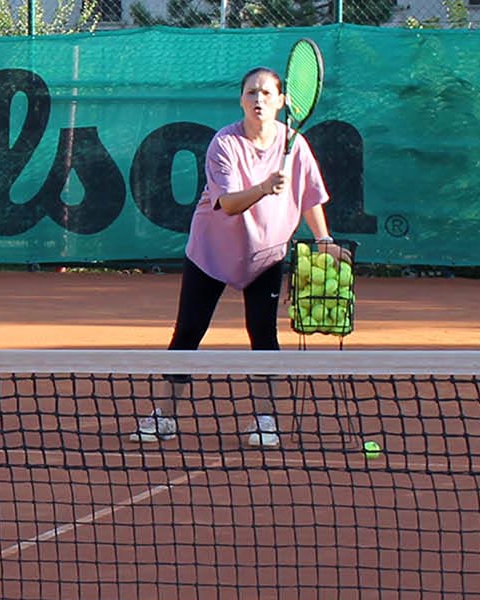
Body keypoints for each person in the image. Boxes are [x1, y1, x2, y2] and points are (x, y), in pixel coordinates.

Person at [129, 66, 343, 449]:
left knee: (263, 336)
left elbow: (310, 196)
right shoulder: (224, 144)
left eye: (265, 93)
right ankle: (165, 416)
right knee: (188, 332)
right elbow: (227, 204)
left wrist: (324, 238)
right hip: (212, 252)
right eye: (250, 93)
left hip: (266, 254)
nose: (257, 99)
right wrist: (263, 187)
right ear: (241, 100)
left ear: (282, 101)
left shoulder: (297, 144)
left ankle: (265, 420)